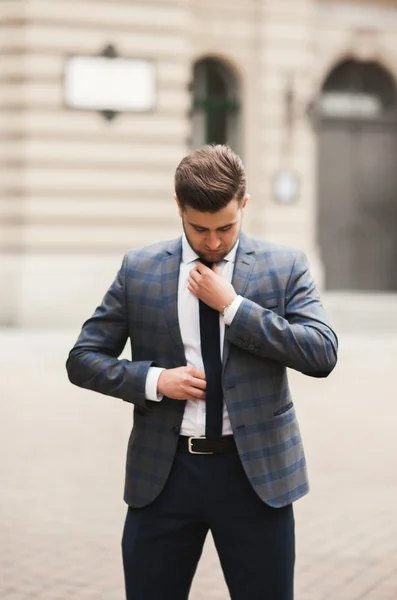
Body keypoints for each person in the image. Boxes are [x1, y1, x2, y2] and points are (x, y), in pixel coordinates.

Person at [66, 144, 338, 600]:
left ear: (244, 205)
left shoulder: (284, 267)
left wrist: (233, 306)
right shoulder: (140, 269)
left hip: (255, 477)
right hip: (165, 474)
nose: (213, 242)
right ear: (178, 208)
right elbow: (83, 358)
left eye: (226, 227)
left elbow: (321, 352)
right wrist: (154, 381)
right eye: (199, 228)